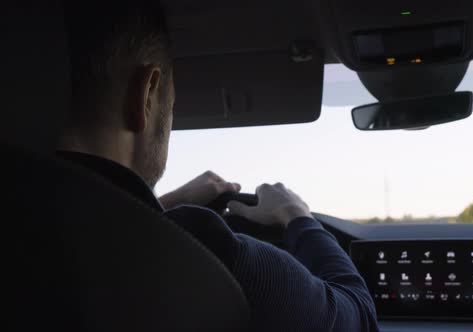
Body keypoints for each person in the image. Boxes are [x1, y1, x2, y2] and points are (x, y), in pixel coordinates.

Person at [58, 1, 378, 331]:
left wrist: (162, 207)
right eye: (172, 106)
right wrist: (298, 216)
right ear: (146, 95)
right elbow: (360, 318)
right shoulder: (202, 255)